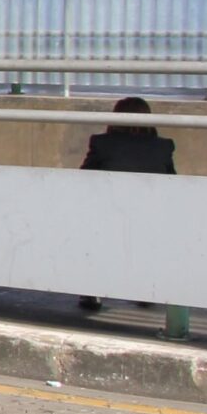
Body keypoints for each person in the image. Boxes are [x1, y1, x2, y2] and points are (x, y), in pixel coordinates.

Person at [76, 98, 177, 311]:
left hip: (108, 213)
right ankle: (144, 289)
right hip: (149, 216)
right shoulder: (163, 146)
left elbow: (84, 177)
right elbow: (172, 181)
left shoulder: (102, 143)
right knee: (144, 238)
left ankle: (92, 291)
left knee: (94, 232)